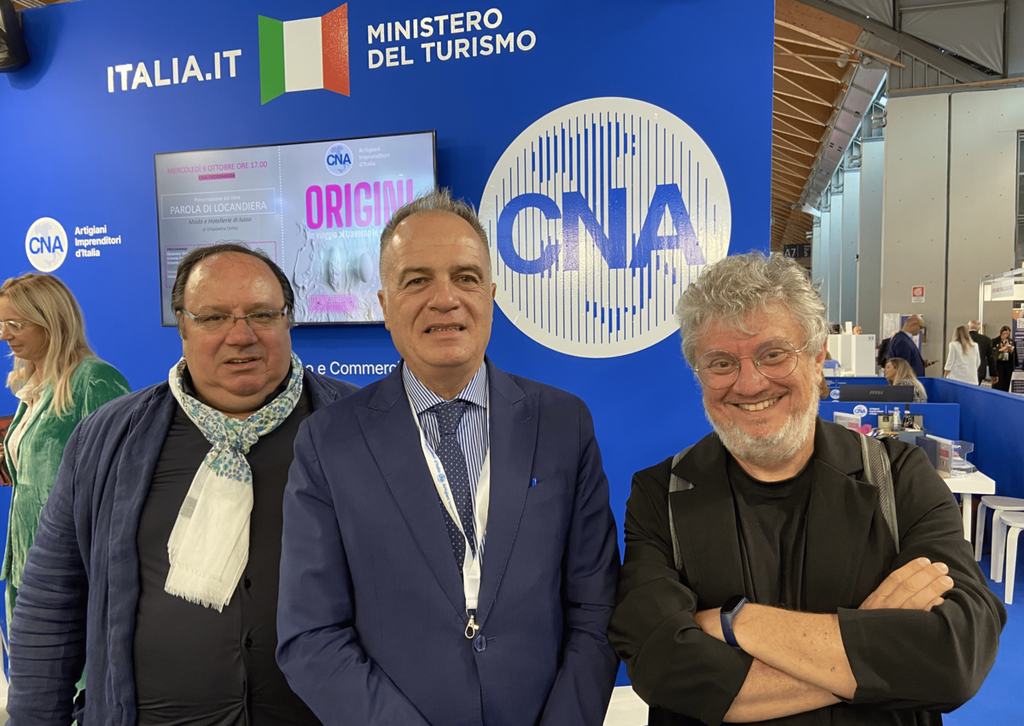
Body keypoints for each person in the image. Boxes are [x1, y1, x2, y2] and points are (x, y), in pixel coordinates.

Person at [609, 252, 1004, 726]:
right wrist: (871, 645)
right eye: (721, 363)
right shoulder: (661, 495)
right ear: (700, 374)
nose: (749, 383)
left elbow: (955, 654)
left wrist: (736, 623)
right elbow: (662, 666)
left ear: (818, 359)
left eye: (773, 354)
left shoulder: (899, 478)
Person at [276, 189, 620, 725]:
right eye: (417, 280)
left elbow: (595, 608)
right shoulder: (328, 441)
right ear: (384, 305)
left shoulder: (563, 423)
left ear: (491, 295)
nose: (445, 298)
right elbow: (311, 635)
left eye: (465, 277)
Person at [7, 244, 358, 725]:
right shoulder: (106, 440)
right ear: (183, 325)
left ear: (288, 321)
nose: (241, 336)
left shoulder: (357, 428)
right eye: (214, 317)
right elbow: (51, 603)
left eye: (262, 314)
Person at [0, 274, 130, 625]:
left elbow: (120, 486)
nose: (4, 335)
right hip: (23, 567)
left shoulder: (94, 380)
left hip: (71, 574)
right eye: (1, 324)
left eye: (16, 324)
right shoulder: (33, 387)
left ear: (52, 320)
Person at [968, 320, 996, 385]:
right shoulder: (986, 340)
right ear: (978, 329)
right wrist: (993, 374)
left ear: (968, 327)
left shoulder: (962, 338)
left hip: (964, 370)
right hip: (980, 370)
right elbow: (990, 358)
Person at [992, 325, 1018, 393]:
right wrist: (1000, 350)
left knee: (1006, 383)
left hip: (1008, 364)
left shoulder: (1012, 341)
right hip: (998, 364)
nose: (1006, 335)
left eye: (1007, 333)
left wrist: (1011, 351)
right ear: (1001, 333)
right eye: (1004, 333)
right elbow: (992, 353)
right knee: (998, 383)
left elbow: (1015, 353)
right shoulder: (994, 341)